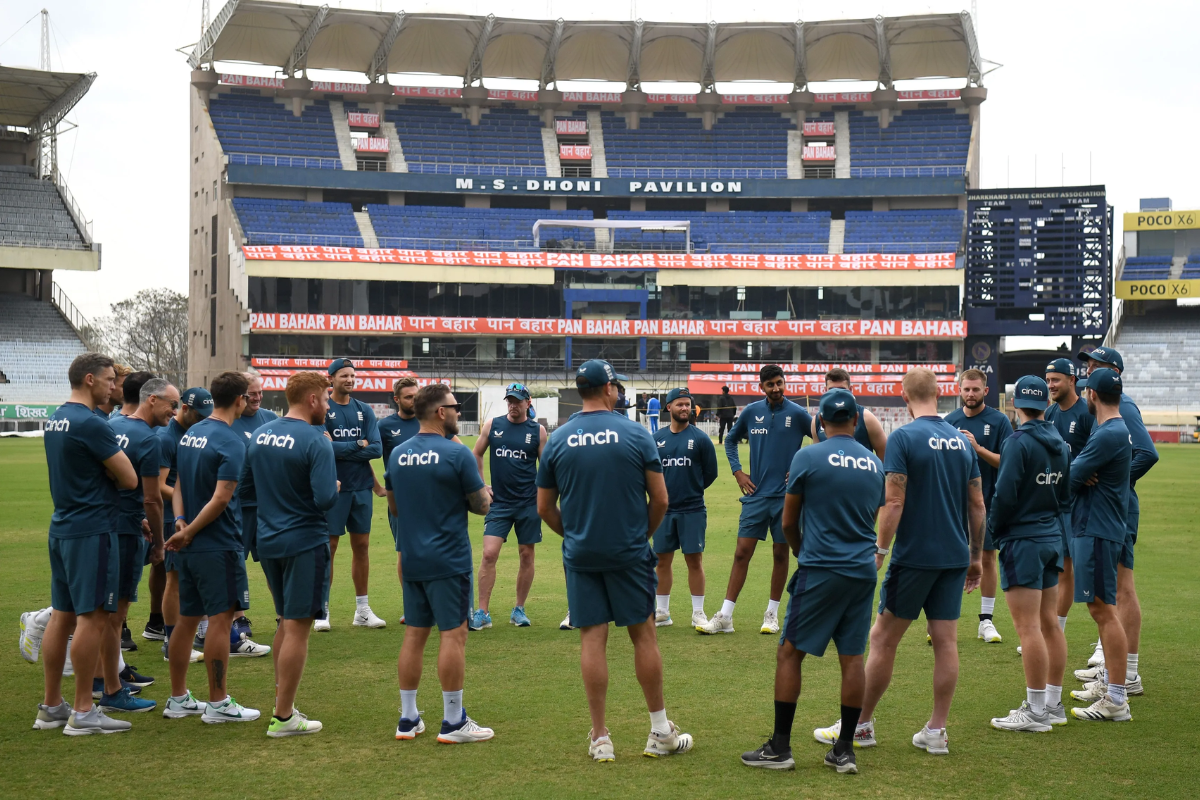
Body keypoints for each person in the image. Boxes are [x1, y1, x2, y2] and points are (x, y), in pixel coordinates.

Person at [813, 367, 985, 754]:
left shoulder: (904, 438)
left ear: (904, 397)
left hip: (915, 557)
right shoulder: (960, 441)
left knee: (882, 639)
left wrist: (879, 549)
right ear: (940, 394)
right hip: (955, 555)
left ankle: (860, 725)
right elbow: (977, 504)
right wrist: (976, 558)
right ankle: (937, 731)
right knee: (946, 642)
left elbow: (894, 501)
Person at [537, 359, 693, 762]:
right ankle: (659, 730)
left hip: (582, 552)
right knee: (643, 634)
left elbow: (544, 508)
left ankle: (601, 737)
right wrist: (640, 535)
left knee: (592, 638)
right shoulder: (636, 434)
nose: (619, 392)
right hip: (628, 551)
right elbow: (660, 499)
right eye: (616, 387)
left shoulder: (557, 439)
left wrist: (573, 535)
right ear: (607, 389)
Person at [742, 389, 885, 774]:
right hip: (861, 571)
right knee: (852, 658)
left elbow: (788, 522)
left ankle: (780, 746)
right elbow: (873, 514)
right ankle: (844, 749)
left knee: (790, 652)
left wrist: (804, 552)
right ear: (856, 421)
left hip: (821, 567)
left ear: (820, 423)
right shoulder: (873, 463)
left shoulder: (807, 456)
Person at [35, 353, 139, 735]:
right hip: (92, 529)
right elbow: (129, 479)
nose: (115, 386)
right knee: (92, 618)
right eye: (110, 379)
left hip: (62, 524)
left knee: (62, 617)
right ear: (90, 379)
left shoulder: (57, 417)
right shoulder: (92, 423)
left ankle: (51, 706)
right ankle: (82, 710)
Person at [388, 384, 495, 743]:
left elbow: (394, 505)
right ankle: (453, 722)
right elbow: (481, 506)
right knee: (454, 634)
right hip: (448, 558)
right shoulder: (456, 453)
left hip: (413, 556)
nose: (458, 412)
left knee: (414, 635)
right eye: (454, 406)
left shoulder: (398, 454)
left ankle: (407, 718)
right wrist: (483, 495)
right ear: (439, 412)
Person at [238, 371, 338, 736]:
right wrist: (336, 484)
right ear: (312, 399)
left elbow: (245, 488)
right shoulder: (316, 440)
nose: (328, 405)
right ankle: (283, 717)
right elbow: (326, 498)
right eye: (326, 398)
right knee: (298, 626)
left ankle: (284, 702)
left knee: (285, 621)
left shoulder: (261, 434)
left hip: (269, 540)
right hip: (304, 541)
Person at [166, 371, 262, 724]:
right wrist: (189, 530)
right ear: (239, 400)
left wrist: (180, 522)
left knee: (187, 623)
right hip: (216, 544)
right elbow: (222, 498)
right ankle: (218, 703)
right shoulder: (232, 440)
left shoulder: (192, 432)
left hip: (189, 543)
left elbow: (175, 484)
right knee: (220, 622)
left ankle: (177, 698)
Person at [986, 376, 1071, 732]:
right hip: (1051, 535)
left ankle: (1035, 711)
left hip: (1023, 539)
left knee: (1028, 627)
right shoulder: (1060, 443)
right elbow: (1065, 494)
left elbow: (1004, 495)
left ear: (1015, 404)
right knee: (1050, 623)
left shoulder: (1017, 442)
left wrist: (992, 532)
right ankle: (1053, 704)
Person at [700, 364, 810, 636]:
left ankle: (771, 615)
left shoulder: (797, 414)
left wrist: (802, 467)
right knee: (741, 553)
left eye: (779, 383)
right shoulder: (751, 412)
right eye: (770, 384)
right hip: (756, 495)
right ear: (761, 387)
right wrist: (737, 472)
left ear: (785, 383)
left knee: (780, 553)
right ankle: (725, 616)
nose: (776, 388)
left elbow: (821, 438)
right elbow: (730, 441)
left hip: (787, 498)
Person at [1074, 346, 1157, 695]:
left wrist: (1115, 481)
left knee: (1121, 590)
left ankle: (1128, 675)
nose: (1089, 368)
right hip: (1111, 506)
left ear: (1114, 373)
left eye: (1096, 364)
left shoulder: (1124, 406)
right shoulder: (1103, 410)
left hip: (1115, 507)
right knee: (1111, 591)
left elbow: (1147, 452)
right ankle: (1116, 670)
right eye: (1088, 364)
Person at [101, 379, 181, 713]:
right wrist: (160, 545)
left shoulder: (112, 425)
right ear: (151, 399)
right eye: (171, 405)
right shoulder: (149, 439)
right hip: (123, 531)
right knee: (113, 615)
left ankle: (109, 678)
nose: (174, 412)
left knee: (103, 611)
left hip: (107, 523)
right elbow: (152, 498)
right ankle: (110, 689)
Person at [1064, 368, 1134, 722]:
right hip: (1101, 527)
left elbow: (1069, 479)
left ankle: (1117, 699)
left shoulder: (1108, 433)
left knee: (1103, 610)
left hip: (1096, 528)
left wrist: (1074, 468)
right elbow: (1077, 472)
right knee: (1103, 609)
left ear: (1091, 395)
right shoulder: (1116, 430)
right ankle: (1113, 689)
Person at [944, 368, 1013, 644]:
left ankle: (986, 621)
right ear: (959, 390)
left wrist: (977, 448)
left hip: (988, 502)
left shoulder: (999, 421)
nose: (970, 394)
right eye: (966, 389)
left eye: (975, 389)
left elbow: (1009, 462)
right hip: (954, 503)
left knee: (987, 558)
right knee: (949, 558)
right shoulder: (949, 421)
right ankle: (943, 619)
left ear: (985, 391)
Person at [470, 382, 547, 630]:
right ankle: (482, 612)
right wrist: (482, 485)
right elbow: (476, 454)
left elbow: (546, 468)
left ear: (528, 402)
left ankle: (519, 609)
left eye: (517, 401)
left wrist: (543, 497)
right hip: (499, 503)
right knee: (489, 553)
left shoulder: (538, 431)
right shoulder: (493, 425)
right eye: (509, 401)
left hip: (528, 503)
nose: (513, 405)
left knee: (526, 555)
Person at [321, 358, 385, 631]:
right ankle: (321, 610)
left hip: (361, 488)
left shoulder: (364, 410)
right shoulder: (324, 409)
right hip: (333, 487)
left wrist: (342, 446)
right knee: (329, 549)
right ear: (331, 379)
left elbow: (377, 449)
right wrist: (359, 443)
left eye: (352, 375)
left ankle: (362, 609)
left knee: (362, 547)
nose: (349, 379)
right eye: (344, 375)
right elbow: (325, 449)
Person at [151, 388, 211, 665]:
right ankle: (171, 642)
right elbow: (159, 484)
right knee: (174, 579)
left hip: (187, 514)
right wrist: (186, 499)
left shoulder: (195, 432)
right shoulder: (167, 437)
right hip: (171, 518)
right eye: (199, 414)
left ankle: (187, 635)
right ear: (184, 409)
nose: (203, 420)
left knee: (185, 577)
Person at [651, 388, 717, 629]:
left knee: (694, 561)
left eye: (687, 404)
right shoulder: (656, 439)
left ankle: (698, 612)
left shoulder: (700, 439)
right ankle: (662, 612)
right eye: (679, 404)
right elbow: (649, 473)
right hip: (663, 511)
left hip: (692, 509)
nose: (684, 408)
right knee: (662, 561)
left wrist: (692, 488)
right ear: (668, 407)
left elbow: (710, 474)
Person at [1043, 358, 1094, 642]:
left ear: (1072, 380)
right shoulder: (1050, 414)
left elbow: (1099, 449)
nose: (1051, 385)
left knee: (1079, 567)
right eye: (1048, 380)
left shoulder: (1086, 413)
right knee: (1059, 566)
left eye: (1056, 380)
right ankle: (1053, 631)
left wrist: (1084, 471)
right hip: (1056, 502)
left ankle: (1096, 641)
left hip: (1084, 502)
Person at [810, 368, 887, 456]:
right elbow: (817, 455)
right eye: (832, 389)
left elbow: (884, 452)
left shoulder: (866, 418)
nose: (837, 393)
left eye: (842, 389)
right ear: (825, 390)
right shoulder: (816, 420)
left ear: (850, 389)